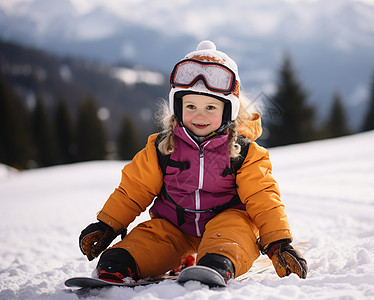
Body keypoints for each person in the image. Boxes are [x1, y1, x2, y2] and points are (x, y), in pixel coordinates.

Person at [79, 40, 308, 285]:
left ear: (228, 111)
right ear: (178, 108)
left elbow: (263, 197)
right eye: (190, 106)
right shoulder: (161, 149)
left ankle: (216, 264)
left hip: (227, 221)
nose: (200, 115)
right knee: (140, 245)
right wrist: (107, 224)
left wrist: (278, 242)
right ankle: (119, 265)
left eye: (210, 107)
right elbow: (132, 191)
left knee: (233, 236)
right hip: (174, 227)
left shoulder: (244, 153)